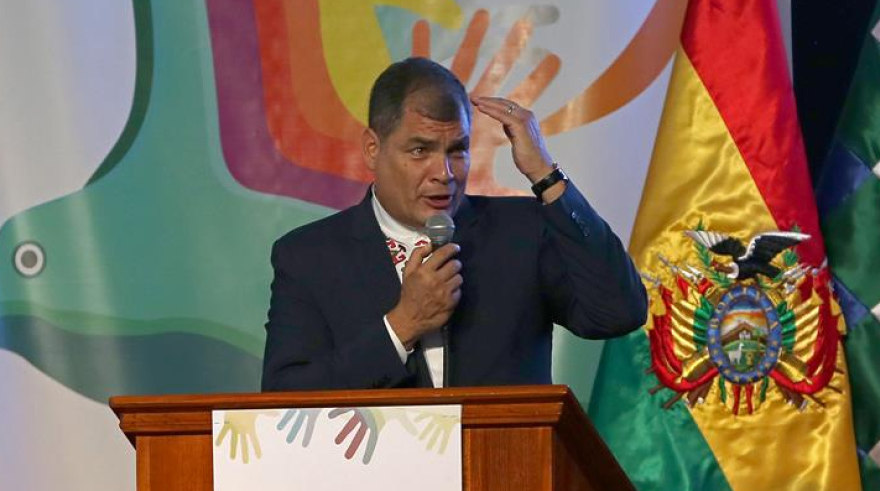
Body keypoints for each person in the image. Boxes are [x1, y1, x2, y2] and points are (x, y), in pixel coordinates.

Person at [262, 57, 645, 391]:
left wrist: (545, 175)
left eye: (457, 150)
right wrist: (402, 326)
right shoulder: (309, 257)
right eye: (420, 150)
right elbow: (285, 400)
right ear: (373, 149)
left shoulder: (522, 231)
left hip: (506, 455)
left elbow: (618, 312)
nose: (444, 173)